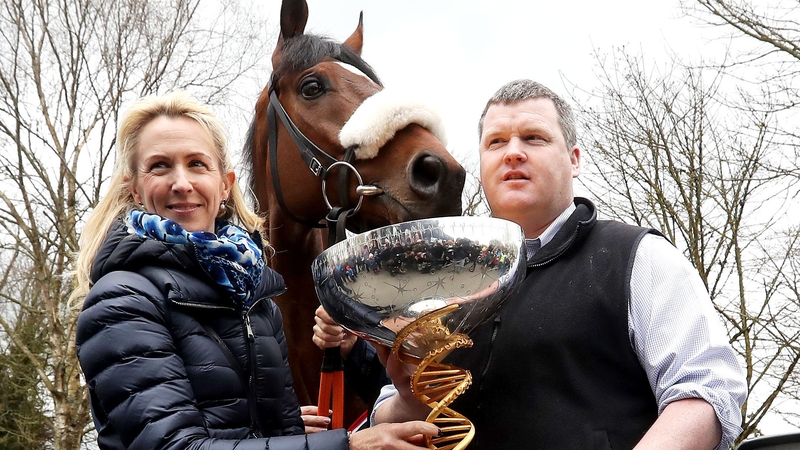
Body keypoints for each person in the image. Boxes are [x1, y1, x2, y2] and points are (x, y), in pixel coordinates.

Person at [315, 80, 747, 449]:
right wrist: (412, 396)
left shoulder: (635, 257)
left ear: (574, 159)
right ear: (481, 166)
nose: (513, 153)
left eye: (534, 138)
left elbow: (706, 391)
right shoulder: (437, 277)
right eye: (496, 142)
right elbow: (387, 419)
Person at [71, 91, 439, 450]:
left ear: (225, 186)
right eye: (159, 166)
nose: (182, 184)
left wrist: (288, 432)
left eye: (197, 164)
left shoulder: (254, 295)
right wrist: (346, 445)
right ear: (133, 189)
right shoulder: (120, 301)